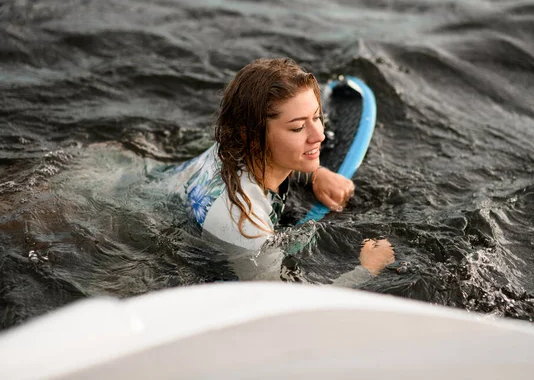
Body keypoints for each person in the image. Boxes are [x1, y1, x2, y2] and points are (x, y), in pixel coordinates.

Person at [167, 58, 394, 283]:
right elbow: (287, 310)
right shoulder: (248, 229)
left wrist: (314, 173)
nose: (320, 136)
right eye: (298, 127)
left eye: (316, 117)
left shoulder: (231, 147)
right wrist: (366, 271)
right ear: (252, 135)